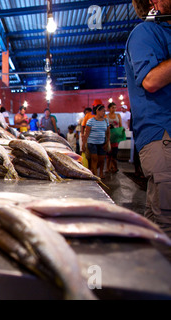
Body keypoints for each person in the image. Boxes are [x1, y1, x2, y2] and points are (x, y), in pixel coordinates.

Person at [124, 0, 171, 241]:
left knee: (157, 224)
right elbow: (151, 81)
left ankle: (151, 274)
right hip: (163, 136)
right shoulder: (144, 33)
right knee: (167, 224)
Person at [81, 104, 111, 179]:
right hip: (92, 143)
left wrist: (107, 142)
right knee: (94, 159)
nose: (104, 113)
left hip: (102, 143)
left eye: (105, 111)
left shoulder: (106, 120)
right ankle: (96, 175)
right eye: (103, 111)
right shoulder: (90, 121)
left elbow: (108, 133)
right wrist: (83, 144)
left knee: (101, 160)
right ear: (97, 111)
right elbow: (86, 133)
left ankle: (101, 173)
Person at [106, 102, 123, 173]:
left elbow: (120, 125)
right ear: (109, 108)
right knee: (108, 152)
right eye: (113, 107)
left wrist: (121, 134)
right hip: (108, 136)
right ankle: (108, 168)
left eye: (115, 107)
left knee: (114, 152)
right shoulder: (106, 116)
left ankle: (114, 166)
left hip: (115, 136)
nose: (114, 109)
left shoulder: (118, 115)